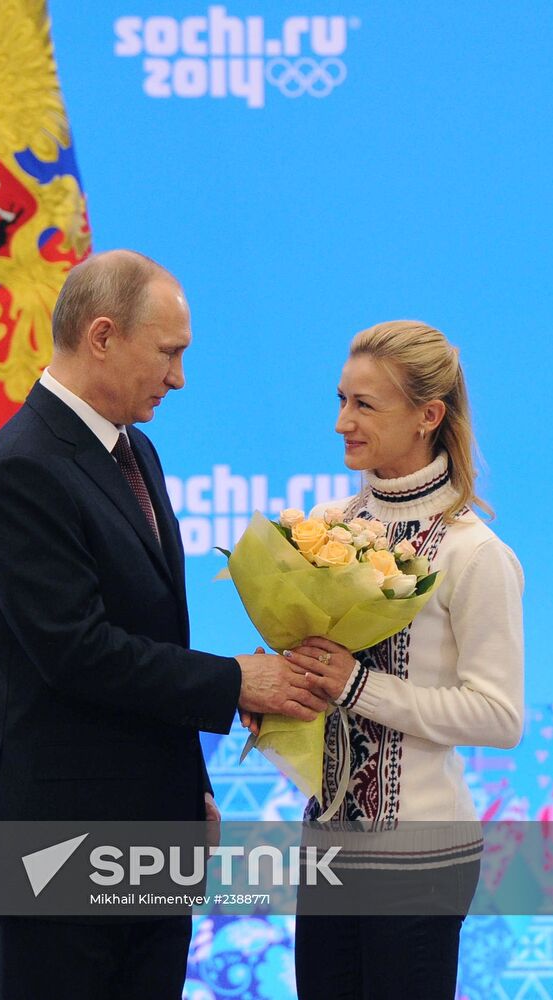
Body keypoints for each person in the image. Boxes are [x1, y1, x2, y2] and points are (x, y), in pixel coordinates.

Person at [0, 250, 328, 1000]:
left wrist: (184, 792)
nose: (179, 378)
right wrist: (234, 680)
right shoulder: (22, 468)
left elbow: (150, 638)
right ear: (102, 336)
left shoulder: (137, 452)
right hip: (51, 853)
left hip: (146, 845)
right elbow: (76, 653)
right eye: (169, 353)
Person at [289, 320, 524, 999]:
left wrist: (359, 686)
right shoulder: (323, 524)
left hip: (421, 855)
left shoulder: (472, 552)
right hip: (327, 848)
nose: (341, 423)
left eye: (363, 404)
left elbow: (499, 716)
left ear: (428, 415)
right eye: (340, 400)